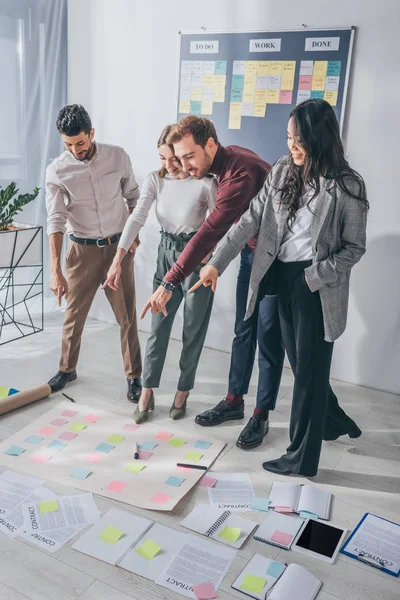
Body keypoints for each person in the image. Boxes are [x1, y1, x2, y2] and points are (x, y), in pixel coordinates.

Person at [191, 98, 368, 477]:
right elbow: (250, 219)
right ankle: (334, 422)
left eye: (299, 139)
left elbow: (355, 248)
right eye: (288, 138)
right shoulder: (284, 170)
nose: (291, 146)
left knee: (308, 374)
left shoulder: (347, 185)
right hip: (280, 277)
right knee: (304, 364)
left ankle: (301, 459)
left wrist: (315, 275)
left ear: (319, 138)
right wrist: (215, 264)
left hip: (317, 284)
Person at [141, 116, 285, 449]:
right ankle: (234, 401)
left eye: (189, 156)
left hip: (276, 260)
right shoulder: (224, 163)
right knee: (243, 329)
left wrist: (169, 281)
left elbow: (210, 233)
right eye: (179, 157)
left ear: (210, 144)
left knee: (269, 339)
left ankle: (261, 416)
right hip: (252, 253)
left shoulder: (240, 174)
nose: (183, 164)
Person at [103, 125, 217, 423]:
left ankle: (183, 391)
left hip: (196, 259)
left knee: (193, 329)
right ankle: (147, 390)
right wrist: (117, 259)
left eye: (173, 158)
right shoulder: (156, 180)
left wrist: (210, 259)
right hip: (166, 256)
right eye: (162, 158)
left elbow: (220, 225)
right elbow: (137, 216)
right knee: (158, 327)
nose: (167, 164)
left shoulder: (205, 183)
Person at [46, 104, 142, 402]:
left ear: (92, 134)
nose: (75, 150)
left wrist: (133, 238)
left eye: (81, 143)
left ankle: (134, 376)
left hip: (117, 249)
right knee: (74, 316)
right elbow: (55, 220)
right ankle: (67, 369)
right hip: (81, 251)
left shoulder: (117, 156)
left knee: (126, 316)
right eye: (68, 144)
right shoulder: (58, 170)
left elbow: (134, 197)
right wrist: (55, 269)